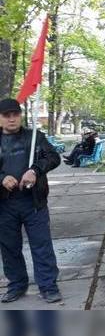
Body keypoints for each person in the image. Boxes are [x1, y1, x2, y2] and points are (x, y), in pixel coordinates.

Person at [0, 98, 62, 303]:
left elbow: (53, 157)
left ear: (21, 115)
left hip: (33, 202)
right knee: (9, 247)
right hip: (5, 205)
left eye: (15, 114)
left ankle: (48, 286)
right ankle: (17, 285)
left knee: (41, 245)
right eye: (6, 115)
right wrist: (2, 178)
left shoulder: (35, 137)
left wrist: (35, 170)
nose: (11, 119)